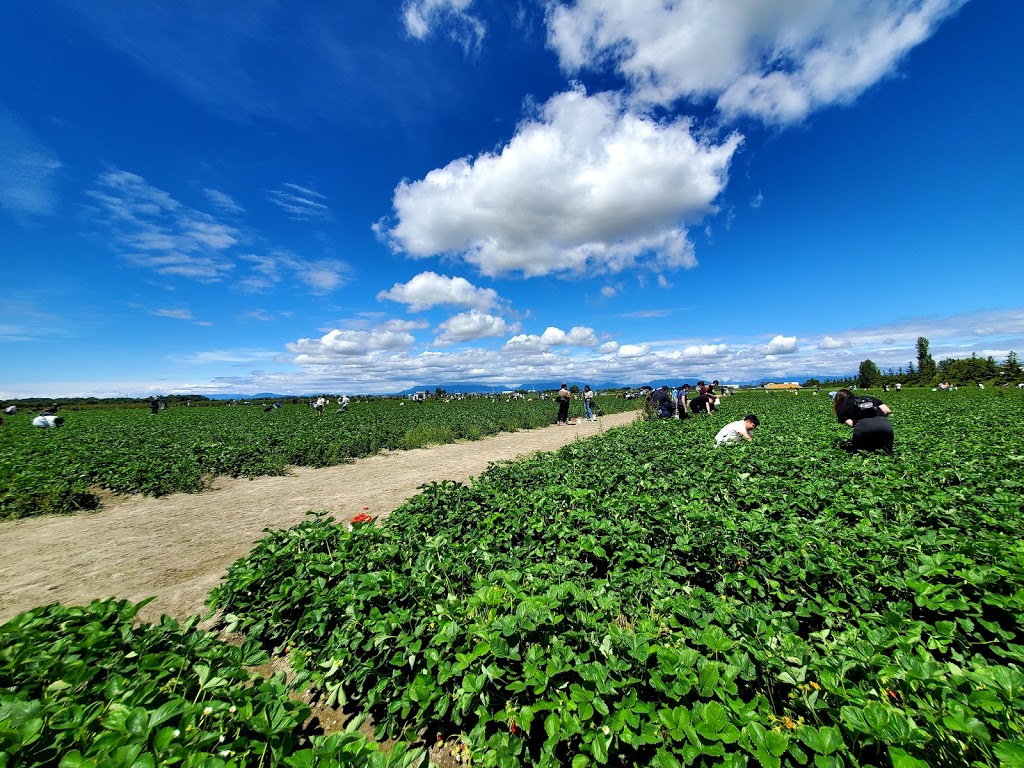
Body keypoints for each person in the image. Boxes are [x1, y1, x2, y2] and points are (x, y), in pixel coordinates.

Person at [832, 389, 894, 453]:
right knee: (886, 453)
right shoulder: (868, 398)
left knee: (861, 454)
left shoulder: (842, 406)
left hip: (863, 427)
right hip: (885, 426)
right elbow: (887, 410)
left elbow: (851, 424)